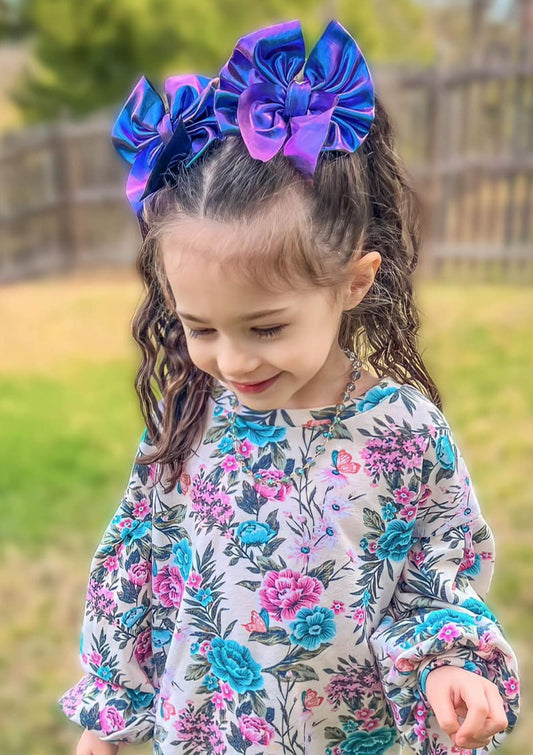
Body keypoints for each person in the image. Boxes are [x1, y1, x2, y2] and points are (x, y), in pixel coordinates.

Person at [58, 18, 520, 755]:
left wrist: (450, 664)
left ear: (353, 282)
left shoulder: (402, 433)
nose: (233, 361)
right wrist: (104, 725)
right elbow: (134, 574)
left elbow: (436, 575)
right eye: (201, 328)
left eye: (266, 327)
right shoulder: (187, 424)